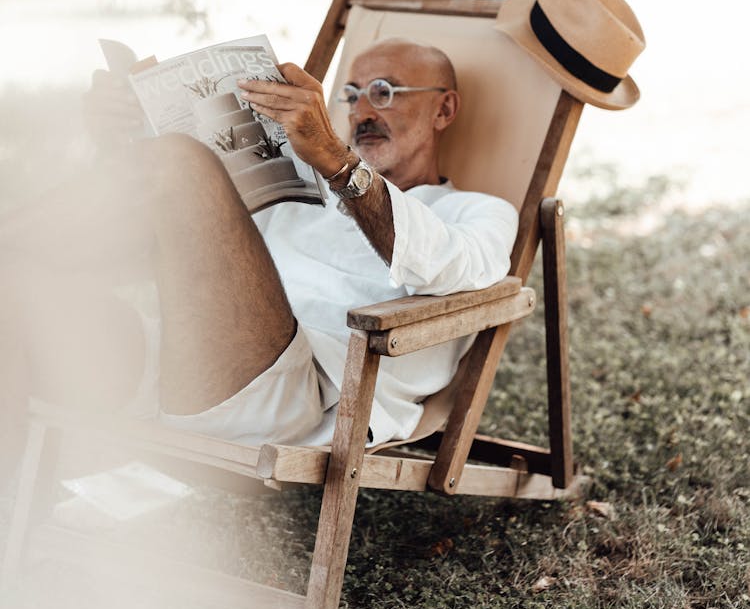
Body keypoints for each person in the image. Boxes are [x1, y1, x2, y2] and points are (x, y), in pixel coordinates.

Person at [1, 36, 517, 470]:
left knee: (179, 163)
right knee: (16, 282)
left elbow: (456, 269)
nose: (362, 113)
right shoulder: (297, 187)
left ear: (444, 108)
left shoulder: (478, 212)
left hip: (296, 400)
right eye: (353, 95)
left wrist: (340, 166)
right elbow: (163, 240)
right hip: (179, 364)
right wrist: (116, 140)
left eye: (384, 93)